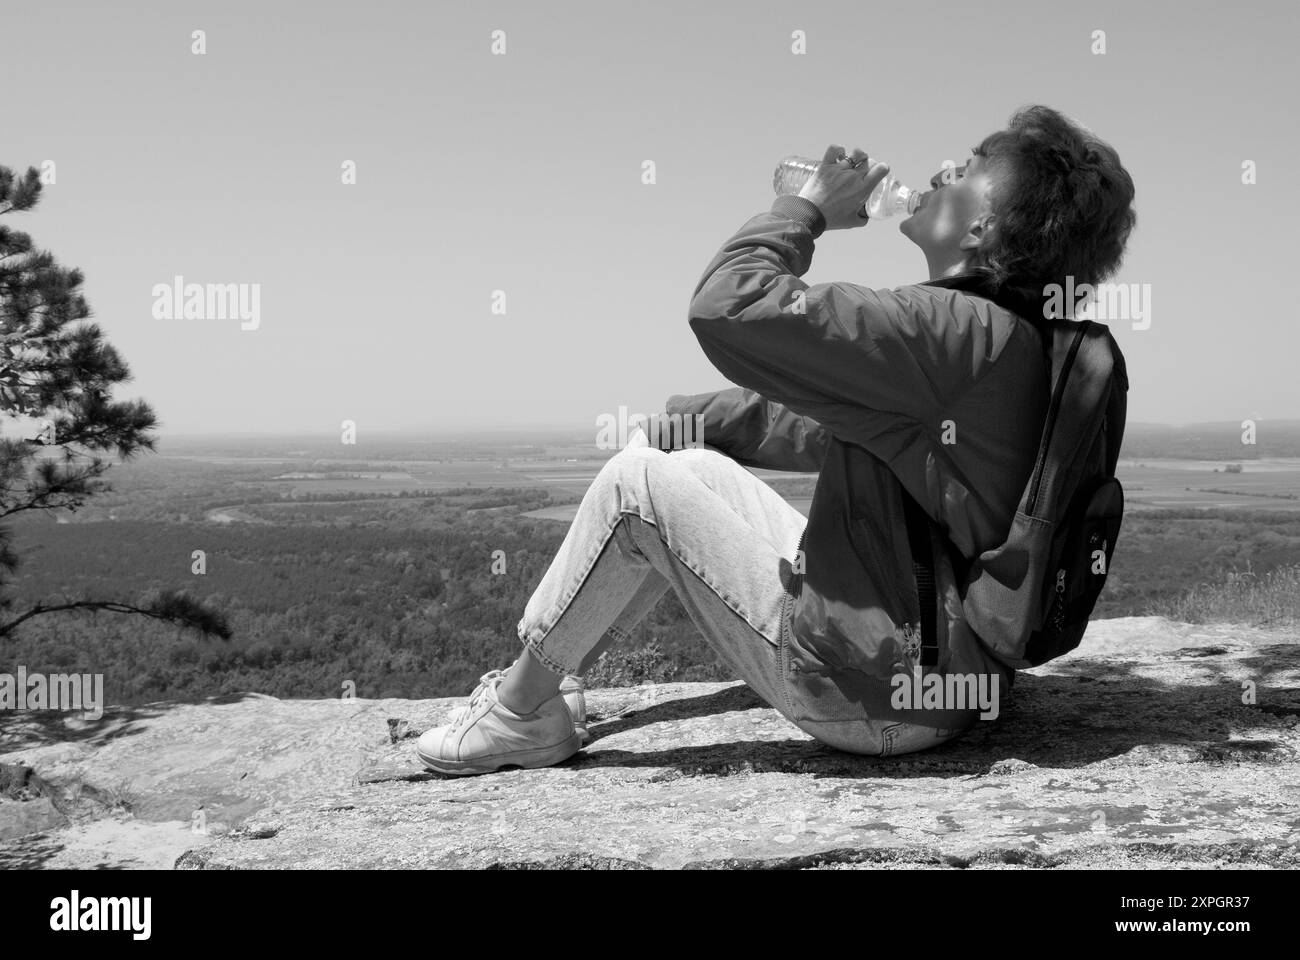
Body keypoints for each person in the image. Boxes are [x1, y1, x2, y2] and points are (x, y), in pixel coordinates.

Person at [418, 104, 1137, 775]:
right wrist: (688, 421)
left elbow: (728, 306)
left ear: (982, 231)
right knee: (673, 461)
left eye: (969, 168)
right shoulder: (1014, 341)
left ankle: (520, 712)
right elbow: (836, 431)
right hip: (946, 678)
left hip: (873, 699)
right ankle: (556, 676)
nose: (944, 171)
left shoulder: (950, 330)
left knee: (633, 489)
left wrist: (806, 211)